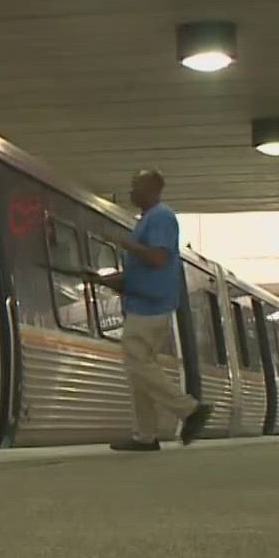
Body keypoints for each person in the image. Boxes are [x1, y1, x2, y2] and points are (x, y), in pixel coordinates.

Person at [86, 169, 213, 451]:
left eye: (136, 186)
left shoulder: (161, 216)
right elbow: (145, 267)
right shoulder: (147, 219)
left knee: (138, 362)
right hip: (143, 300)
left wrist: (124, 242)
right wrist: (107, 280)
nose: (131, 191)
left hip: (151, 305)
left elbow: (158, 257)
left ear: (153, 188)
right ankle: (145, 436)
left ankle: (190, 410)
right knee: (139, 369)